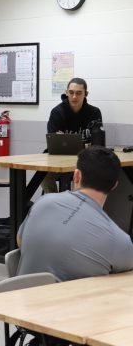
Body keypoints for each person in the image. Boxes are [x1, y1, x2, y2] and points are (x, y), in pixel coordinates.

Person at [17, 146, 133, 282]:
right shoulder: (117, 240)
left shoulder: (42, 203)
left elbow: (20, 241)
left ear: (76, 175)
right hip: (73, 302)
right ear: (114, 185)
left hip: (18, 298)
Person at [42, 77, 103, 193]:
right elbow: (52, 141)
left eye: (79, 93)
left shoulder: (94, 112)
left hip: (84, 161)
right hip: (58, 160)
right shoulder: (57, 112)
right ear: (66, 93)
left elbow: (97, 143)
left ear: (86, 94)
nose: (74, 97)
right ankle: (56, 204)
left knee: (89, 177)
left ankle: (76, 207)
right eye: (71, 93)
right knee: (44, 177)